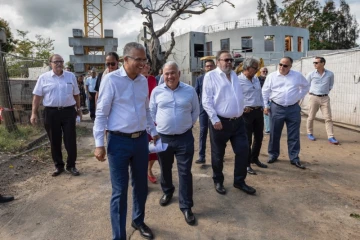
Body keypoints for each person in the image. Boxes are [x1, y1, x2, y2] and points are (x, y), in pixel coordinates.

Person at [93, 42, 158, 240]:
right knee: (120, 191)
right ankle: (119, 236)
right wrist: (99, 144)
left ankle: (138, 220)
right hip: (118, 142)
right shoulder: (112, 80)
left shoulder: (142, 81)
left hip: (140, 142)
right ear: (126, 59)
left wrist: (153, 130)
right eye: (138, 59)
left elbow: (146, 110)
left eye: (144, 60)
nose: (142, 64)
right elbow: (101, 113)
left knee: (141, 186)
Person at [149, 61, 199, 226]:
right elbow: (151, 112)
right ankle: (168, 191)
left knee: (185, 172)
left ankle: (186, 206)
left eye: (173, 73)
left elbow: (195, 111)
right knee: (165, 168)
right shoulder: (156, 91)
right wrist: (157, 130)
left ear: (179, 73)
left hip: (184, 138)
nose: (169, 76)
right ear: (163, 74)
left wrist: (185, 125)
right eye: (166, 73)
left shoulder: (189, 91)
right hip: (163, 138)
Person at [202, 50, 256, 195]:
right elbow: (206, 100)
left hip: (238, 122)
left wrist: (241, 108)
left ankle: (239, 181)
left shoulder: (234, 76)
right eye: (225, 60)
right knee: (218, 154)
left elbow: (237, 95)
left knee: (243, 151)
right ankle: (218, 181)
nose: (229, 62)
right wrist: (214, 119)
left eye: (230, 60)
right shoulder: (211, 76)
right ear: (218, 61)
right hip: (220, 123)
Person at [30, 54, 81, 177]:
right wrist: (33, 113)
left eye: (61, 61)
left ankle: (71, 165)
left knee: (70, 139)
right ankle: (59, 166)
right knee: (54, 140)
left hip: (68, 111)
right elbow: (37, 97)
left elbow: (76, 94)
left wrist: (78, 109)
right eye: (56, 61)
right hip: (51, 112)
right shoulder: (43, 78)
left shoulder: (71, 76)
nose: (59, 63)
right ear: (50, 64)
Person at [262, 57, 310, 169]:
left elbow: (306, 86)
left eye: (285, 65)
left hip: (293, 108)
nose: (282, 67)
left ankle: (294, 158)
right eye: (280, 64)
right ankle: (273, 154)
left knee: (294, 134)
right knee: (274, 133)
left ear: (290, 66)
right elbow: (265, 91)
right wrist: (265, 106)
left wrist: (298, 96)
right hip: (276, 107)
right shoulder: (271, 76)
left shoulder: (297, 76)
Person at [238, 58, 268, 175]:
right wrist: (243, 107)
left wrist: (263, 106)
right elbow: (235, 97)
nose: (257, 70)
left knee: (259, 137)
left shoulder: (256, 79)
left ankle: (254, 158)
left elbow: (260, 94)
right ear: (247, 68)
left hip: (258, 111)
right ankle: (246, 164)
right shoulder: (238, 80)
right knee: (247, 140)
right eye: (255, 68)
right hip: (246, 113)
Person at [306, 57, 338, 144]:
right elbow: (306, 84)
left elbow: (331, 85)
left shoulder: (330, 74)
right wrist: (311, 93)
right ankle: (310, 133)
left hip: (325, 98)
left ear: (323, 63)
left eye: (316, 63)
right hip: (314, 98)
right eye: (314, 63)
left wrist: (324, 92)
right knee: (311, 117)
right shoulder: (311, 74)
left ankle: (331, 137)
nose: (314, 64)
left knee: (328, 118)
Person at [194, 59, 215, 164]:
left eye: (211, 66)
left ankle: (217, 154)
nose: (209, 68)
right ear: (204, 68)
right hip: (203, 110)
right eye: (207, 66)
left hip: (216, 110)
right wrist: (197, 107)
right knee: (203, 132)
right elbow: (195, 94)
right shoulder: (199, 79)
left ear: (214, 67)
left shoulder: (219, 79)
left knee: (215, 133)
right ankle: (201, 156)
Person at [140, 60, 158, 184]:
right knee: (142, 148)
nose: (147, 66)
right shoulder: (136, 80)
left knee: (155, 148)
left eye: (148, 64)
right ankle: (141, 171)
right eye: (145, 64)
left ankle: (149, 169)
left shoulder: (152, 79)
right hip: (140, 118)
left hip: (153, 117)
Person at [258, 67, 270, 134]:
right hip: (259, 99)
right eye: (263, 71)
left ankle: (268, 129)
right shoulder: (257, 80)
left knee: (267, 114)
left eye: (266, 71)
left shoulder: (268, 79)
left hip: (267, 99)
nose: (265, 72)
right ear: (260, 72)